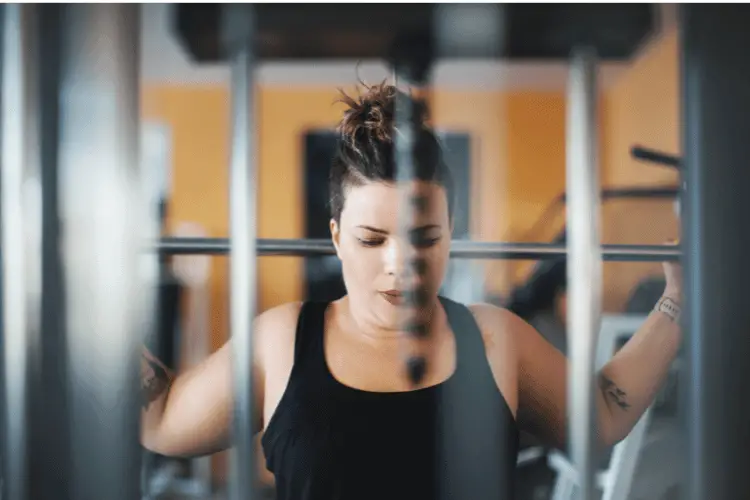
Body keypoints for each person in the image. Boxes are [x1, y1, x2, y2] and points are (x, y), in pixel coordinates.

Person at [139, 82, 683, 500]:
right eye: (372, 240)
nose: (401, 264)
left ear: (451, 232)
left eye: (425, 238)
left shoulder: (496, 340)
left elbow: (603, 418)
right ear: (336, 238)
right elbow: (161, 420)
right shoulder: (282, 341)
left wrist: (679, 300)